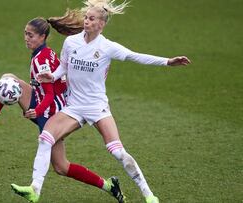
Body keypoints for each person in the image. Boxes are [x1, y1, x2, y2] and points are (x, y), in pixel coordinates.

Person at [10, 1, 191, 203]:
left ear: (101, 24)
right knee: (45, 138)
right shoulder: (71, 42)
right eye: (86, 17)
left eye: (91, 19)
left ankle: (149, 195)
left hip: (97, 107)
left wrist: (167, 61)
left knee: (118, 152)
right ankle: (35, 189)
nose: (86, 21)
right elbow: (63, 67)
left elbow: (135, 56)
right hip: (74, 107)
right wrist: (52, 76)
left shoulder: (107, 47)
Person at [0, 17, 125, 203]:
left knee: (61, 167)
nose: (26, 38)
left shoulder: (41, 60)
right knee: (9, 77)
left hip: (51, 111)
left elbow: (49, 95)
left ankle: (107, 186)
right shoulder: (44, 52)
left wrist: (37, 111)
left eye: (31, 35)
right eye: (25, 33)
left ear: (42, 37)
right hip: (45, 100)